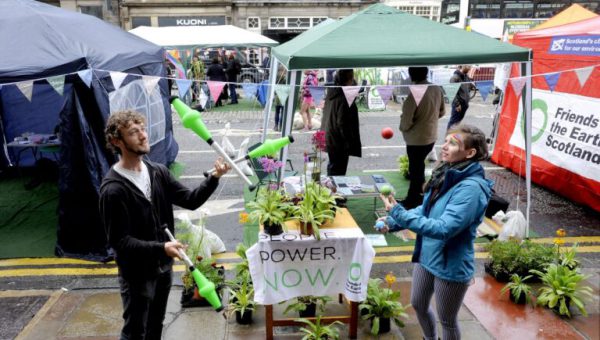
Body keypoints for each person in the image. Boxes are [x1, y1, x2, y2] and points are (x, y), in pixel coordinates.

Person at [99, 110, 231, 340]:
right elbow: (120, 242)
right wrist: (161, 248)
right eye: (133, 132)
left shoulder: (157, 172)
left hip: (163, 269)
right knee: (135, 331)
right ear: (116, 142)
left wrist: (214, 178)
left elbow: (190, 200)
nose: (142, 136)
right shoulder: (113, 189)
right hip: (137, 275)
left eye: (142, 129)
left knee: (155, 325)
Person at [377, 124, 493, 340]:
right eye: (446, 141)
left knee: (447, 320)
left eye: (453, 143)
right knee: (418, 305)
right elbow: (427, 210)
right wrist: (394, 221)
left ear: (470, 153)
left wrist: (400, 214)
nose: (444, 147)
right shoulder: (447, 173)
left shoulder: (471, 188)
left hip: (451, 264)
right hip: (427, 255)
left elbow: (445, 228)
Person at [400, 67, 445, 209]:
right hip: (431, 135)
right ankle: (422, 193)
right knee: (419, 166)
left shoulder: (415, 93)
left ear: (411, 75)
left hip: (416, 139)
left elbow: (406, 120)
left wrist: (404, 128)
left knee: (415, 169)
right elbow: (442, 111)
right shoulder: (436, 88)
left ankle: (413, 199)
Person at [323, 69, 361, 176]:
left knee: (333, 168)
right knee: (337, 172)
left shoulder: (332, 93)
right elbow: (343, 123)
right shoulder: (343, 97)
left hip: (331, 137)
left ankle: (331, 189)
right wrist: (349, 142)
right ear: (349, 79)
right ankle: (334, 191)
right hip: (339, 142)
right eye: (352, 77)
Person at [447, 65, 473, 130]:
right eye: (467, 66)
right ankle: (448, 138)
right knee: (453, 123)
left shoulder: (466, 76)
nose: (469, 68)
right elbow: (451, 93)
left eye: (470, 66)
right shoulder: (455, 78)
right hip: (458, 104)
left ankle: (454, 137)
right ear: (461, 66)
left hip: (465, 103)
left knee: (457, 123)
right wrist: (457, 104)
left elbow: (468, 88)